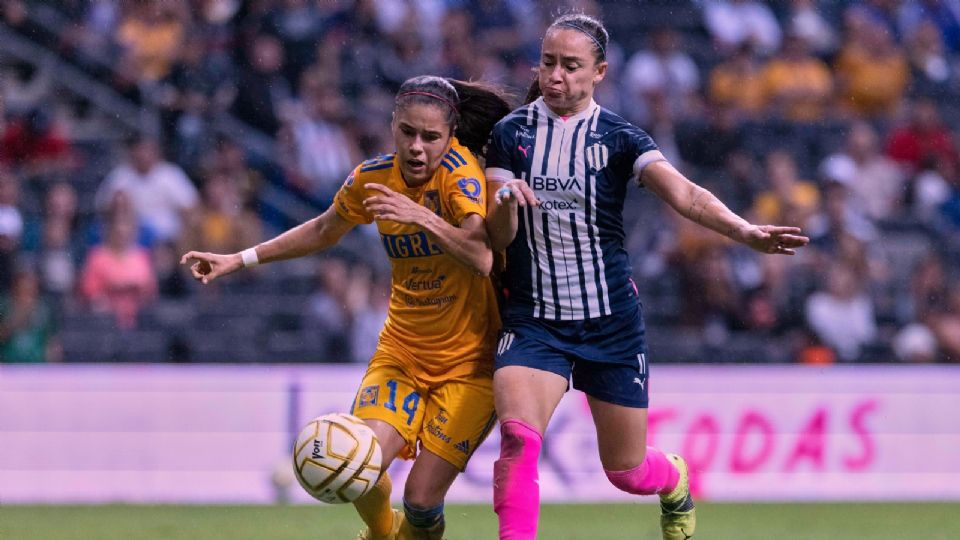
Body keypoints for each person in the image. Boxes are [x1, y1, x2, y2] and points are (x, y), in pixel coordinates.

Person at [483, 13, 809, 540]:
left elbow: (688, 196)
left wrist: (744, 231)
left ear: (600, 72)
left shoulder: (619, 137)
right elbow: (497, 238)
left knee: (627, 472)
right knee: (518, 441)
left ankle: (674, 477)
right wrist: (505, 205)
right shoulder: (509, 134)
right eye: (548, 62)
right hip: (534, 320)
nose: (555, 76)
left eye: (571, 65)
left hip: (610, 323)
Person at [181, 75, 511, 540]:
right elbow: (322, 230)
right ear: (392, 126)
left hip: (469, 366)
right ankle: (379, 534)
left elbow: (480, 257)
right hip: (401, 354)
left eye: (431, 137)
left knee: (420, 502)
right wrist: (240, 258)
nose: (417, 147)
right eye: (407, 133)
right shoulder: (372, 177)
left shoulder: (461, 176)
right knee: (361, 461)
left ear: (451, 135)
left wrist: (422, 216)